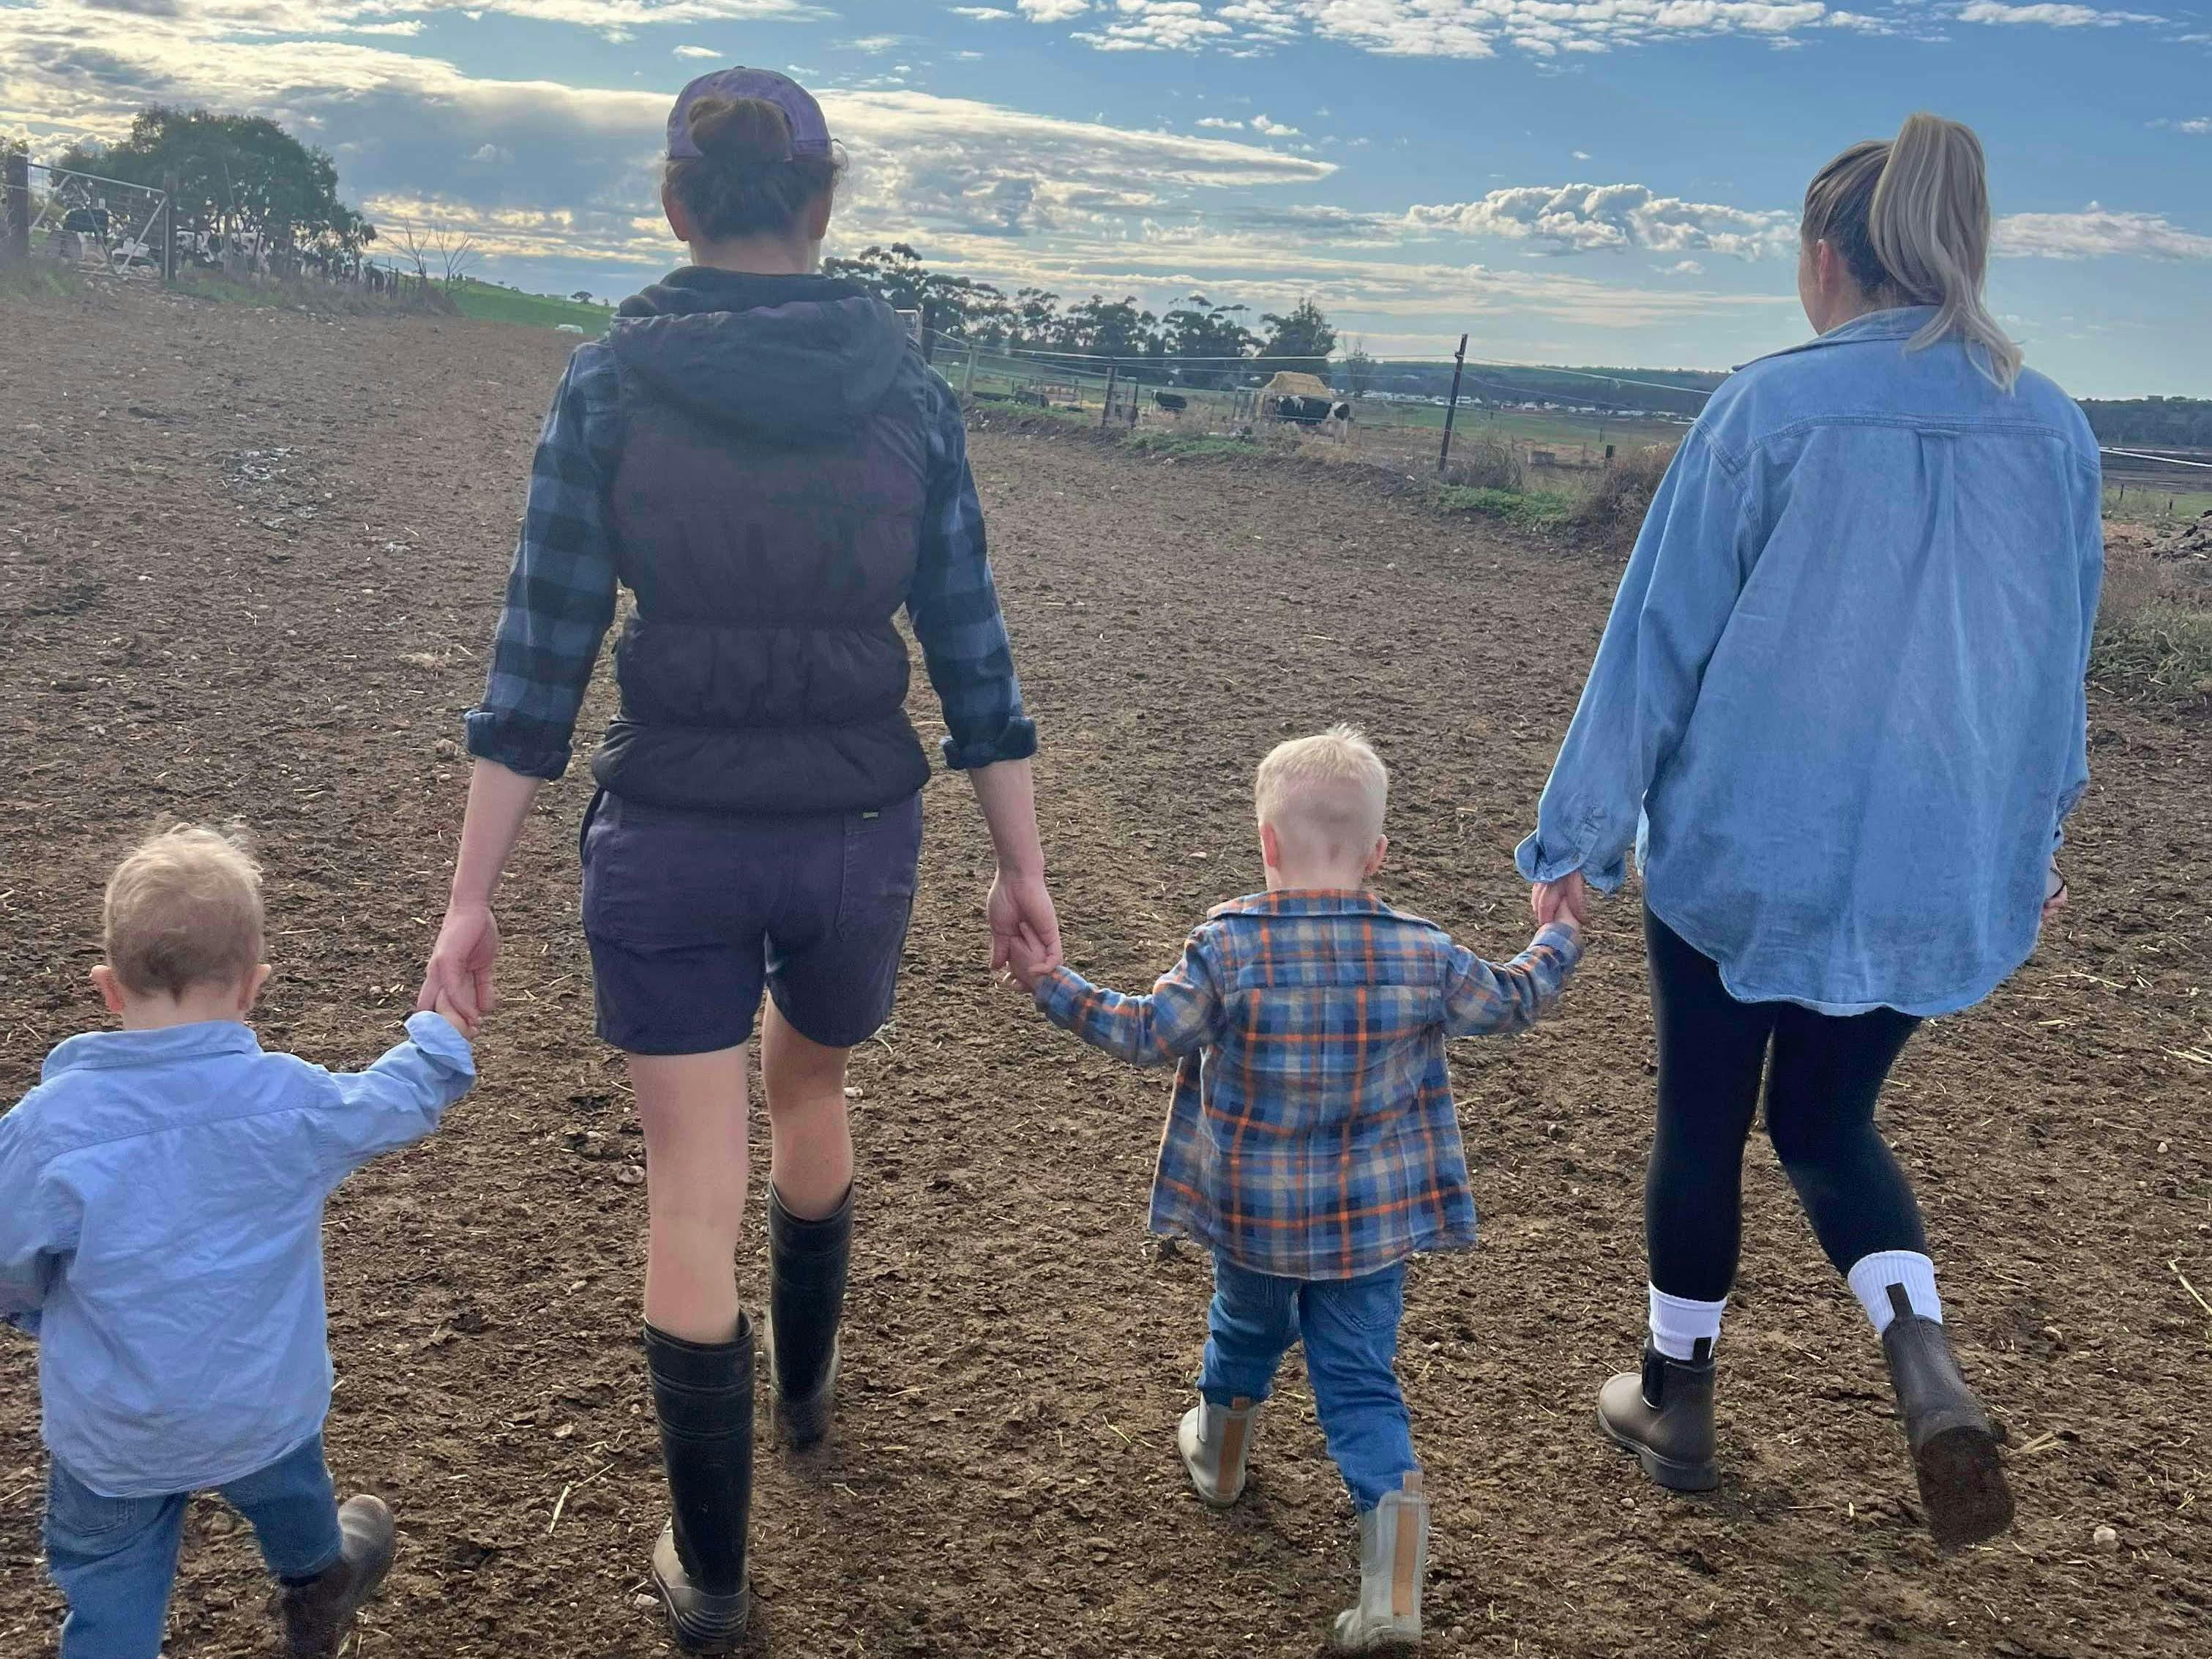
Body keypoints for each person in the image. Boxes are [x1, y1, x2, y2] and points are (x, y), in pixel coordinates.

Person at [413, 66, 1058, 1654]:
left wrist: (470, 892)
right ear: (824, 199)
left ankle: (708, 1578)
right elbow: (971, 648)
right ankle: (811, 1392)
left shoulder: (607, 387)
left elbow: (538, 651)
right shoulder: (910, 394)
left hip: (670, 837)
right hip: (858, 828)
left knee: (689, 1190)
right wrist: (1018, 862)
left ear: (674, 203)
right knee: (813, 1091)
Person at [1516, 113, 2102, 1549]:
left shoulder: (1763, 410)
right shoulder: (2056, 429)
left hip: (1739, 852)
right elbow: (2046, 674)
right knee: (1829, 1123)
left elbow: (1650, 646)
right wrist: (2030, 848)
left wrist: (1573, 848)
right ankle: (1924, 1365)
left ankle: (1675, 1398)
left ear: (1824, 256)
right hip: (1930, 866)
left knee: (1703, 1123)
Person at [1009, 728, 1583, 1651]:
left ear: (1266, 844)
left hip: (1255, 1220)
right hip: (1370, 1233)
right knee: (1360, 1382)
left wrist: (1051, 982)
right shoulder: (1424, 951)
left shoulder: (1226, 948)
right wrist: (1558, 928)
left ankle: (1222, 1456)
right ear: (1378, 855)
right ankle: (1392, 1585)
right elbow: (1515, 998)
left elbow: (1148, 1032)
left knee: (1243, 1328)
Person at [0, 825, 478, 1659]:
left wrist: (34, 1312)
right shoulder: (285, 1103)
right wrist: (438, 1042)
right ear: (252, 985)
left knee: (107, 1586)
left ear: (108, 988)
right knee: (289, 1481)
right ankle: (317, 1578)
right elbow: (385, 1103)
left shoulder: (49, 1132)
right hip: (259, 1402)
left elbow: (10, 1256)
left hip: (115, 1425)